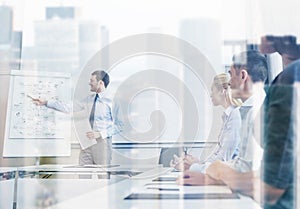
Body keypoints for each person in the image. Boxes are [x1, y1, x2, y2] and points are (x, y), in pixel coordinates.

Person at [202, 36, 300, 209]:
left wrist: (218, 172)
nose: (229, 82)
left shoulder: (290, 79)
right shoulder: (282, 81)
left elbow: (273, 185)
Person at [177, 50, 268, 185]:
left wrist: (198, 167)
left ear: (243, 76)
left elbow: (245, 168)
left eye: (231, 75)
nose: (229, 82)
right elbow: (240, 163)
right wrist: (201, 167)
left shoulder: (257, 113)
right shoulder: (253, 110)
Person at [32, 70, 123, 166]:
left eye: (92, 80)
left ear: (100, 82)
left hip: (102, 143)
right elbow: (68, 107)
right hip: (86, 142)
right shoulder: (89, 99)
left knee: (102, 176)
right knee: (82, 174)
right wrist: (46, 102)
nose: (89, 83)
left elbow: (120, 125)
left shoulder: (112, 101)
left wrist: (100, 134)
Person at [170, 73, 242, 173]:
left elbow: (224, 158)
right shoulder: (227, 116)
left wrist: (195, 165)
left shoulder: (235, 115)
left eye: (213, 90)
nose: (211, 94)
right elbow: (218, 154)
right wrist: (197, 163)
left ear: (221, 91)